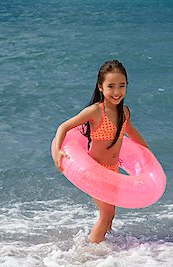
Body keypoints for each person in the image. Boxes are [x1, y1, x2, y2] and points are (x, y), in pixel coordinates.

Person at [53, 60, 149, 244]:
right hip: (95, 171)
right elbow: (63, 127)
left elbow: (131, 132)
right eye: (111, 86)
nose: (116, 92)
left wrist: (147, 154)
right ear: (100, 87)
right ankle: (91, 252)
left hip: (113, 170)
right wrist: (58, 150)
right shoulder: (95, 112)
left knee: (111, 213)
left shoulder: (125, 112)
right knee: (107, 214)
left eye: (121, 86)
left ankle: (108, 246)